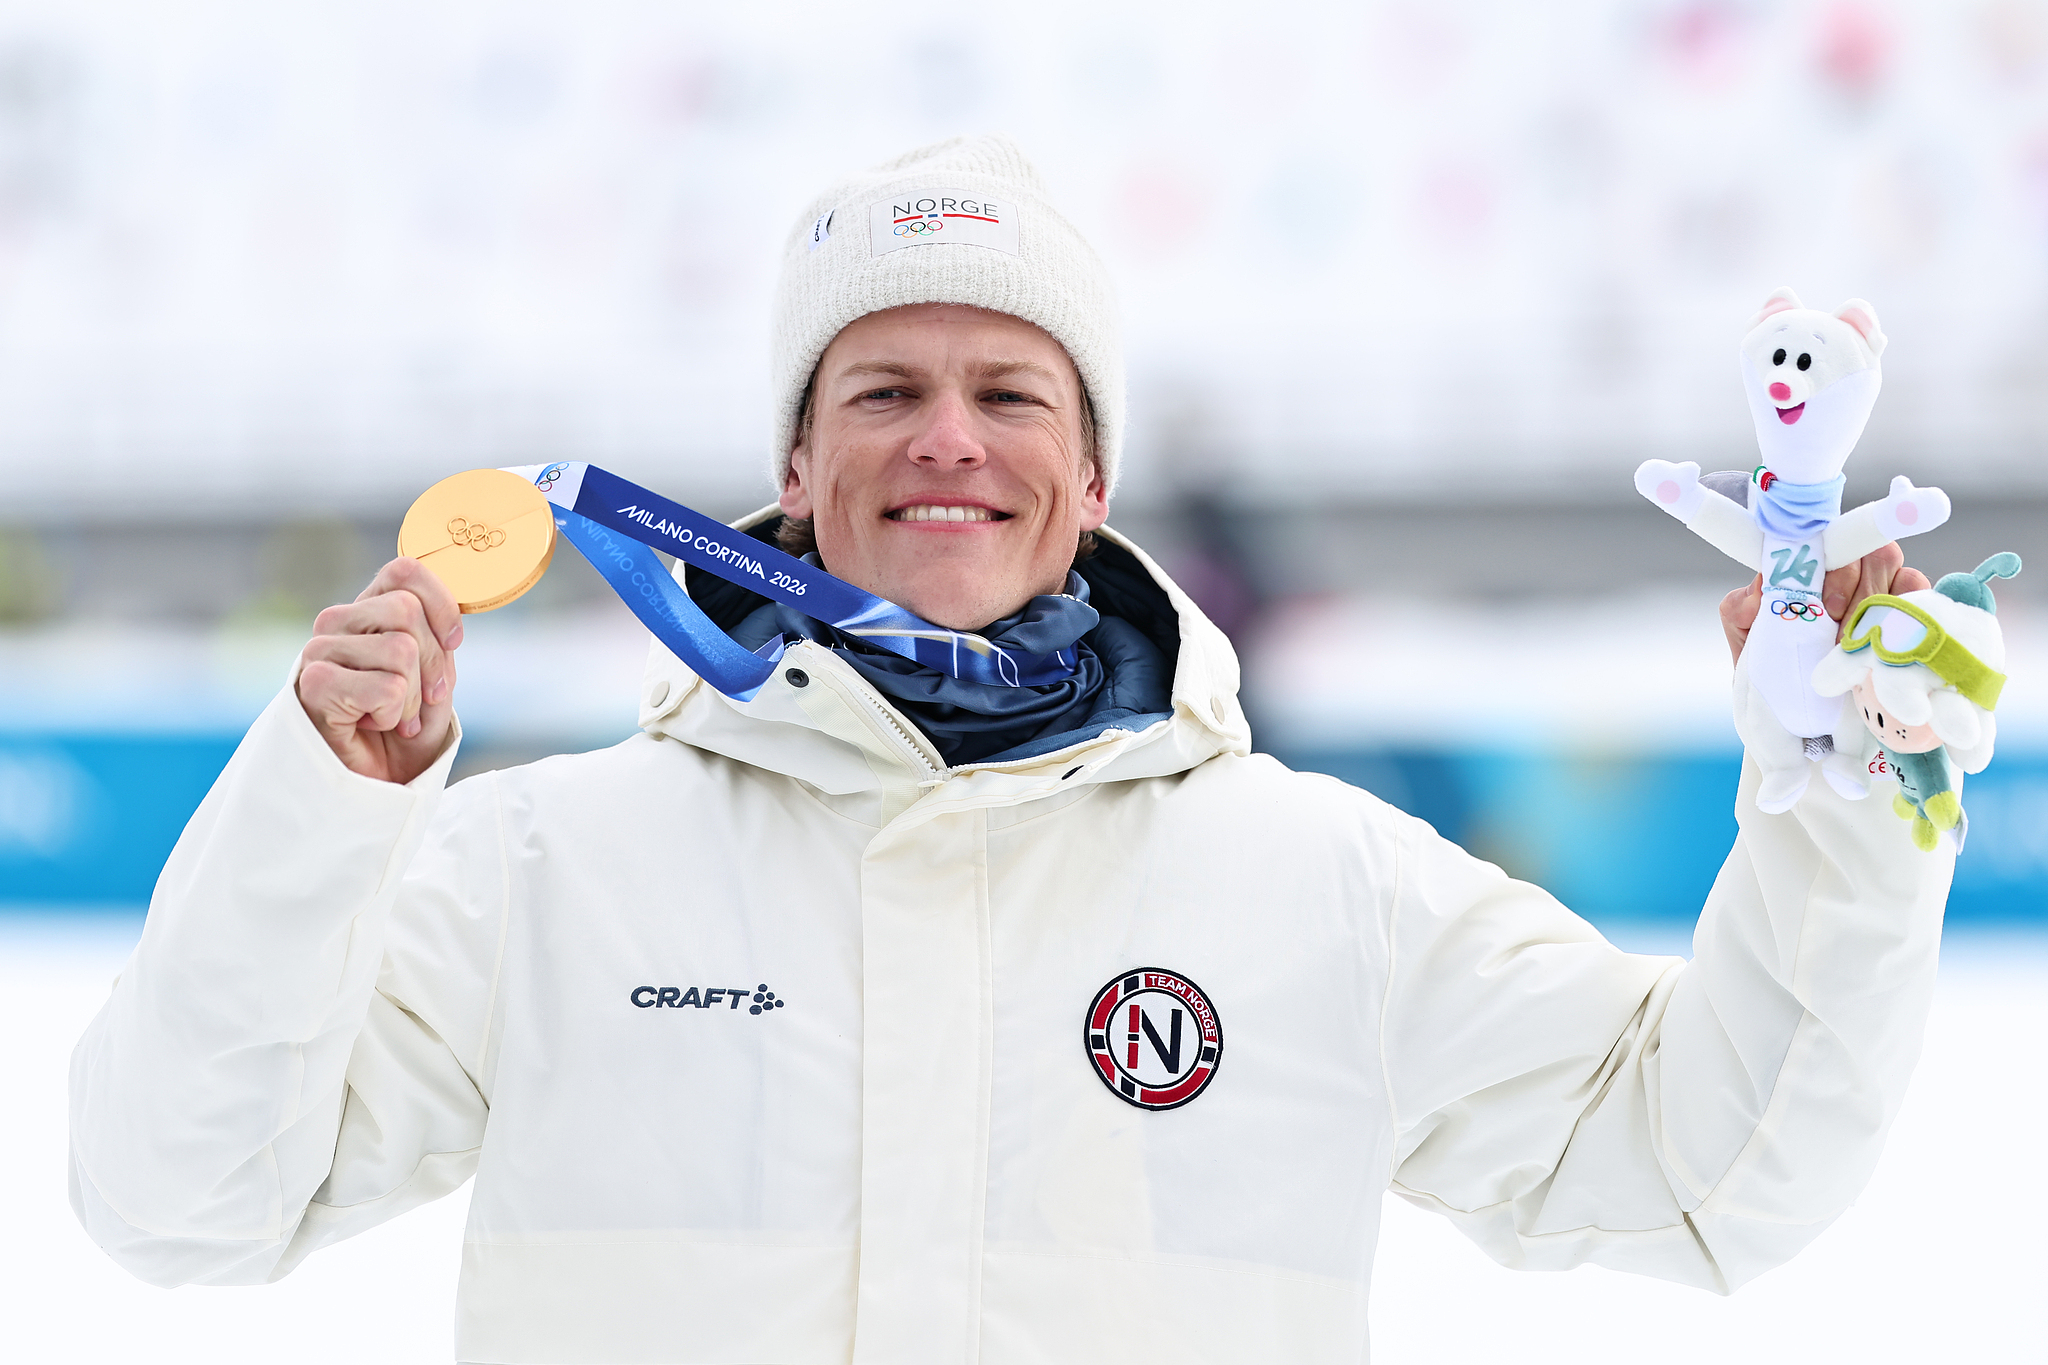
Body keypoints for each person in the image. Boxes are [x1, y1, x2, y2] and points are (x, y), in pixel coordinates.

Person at [70, 136, 1949, 1365]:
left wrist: (1851, 799)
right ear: (795, 464)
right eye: (884, 388)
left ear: (1094, 472)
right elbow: (180, 1201)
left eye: (1010, 392)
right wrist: (320, 808)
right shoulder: (546, 866)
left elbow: (1710, 1172)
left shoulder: (1322, 882)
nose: (948, 439)